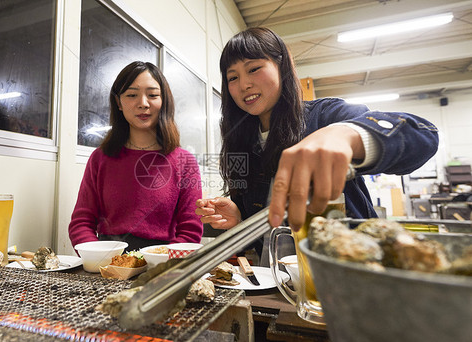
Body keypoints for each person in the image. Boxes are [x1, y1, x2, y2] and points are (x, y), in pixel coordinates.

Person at [196, 27, 439, 257]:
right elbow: (269, 229)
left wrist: (347, 135)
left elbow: (423, 135)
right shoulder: (243, 143)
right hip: (281, 284)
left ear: (281, 67)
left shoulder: (325, 116)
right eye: (232, 77)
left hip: (349, 270)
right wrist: (240, 217)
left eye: (254, 69)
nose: (243, 85)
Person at [69, 61, 203, 252]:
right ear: (119, 103)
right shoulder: (100, 158)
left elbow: (190, 231)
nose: (143, 103)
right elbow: (81, 223)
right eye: (132, 95)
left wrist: (162, 265)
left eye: (153, 95)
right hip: (108, 261)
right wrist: (98, 258)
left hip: (163, 264)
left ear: (164, 100)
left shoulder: (185, 161)